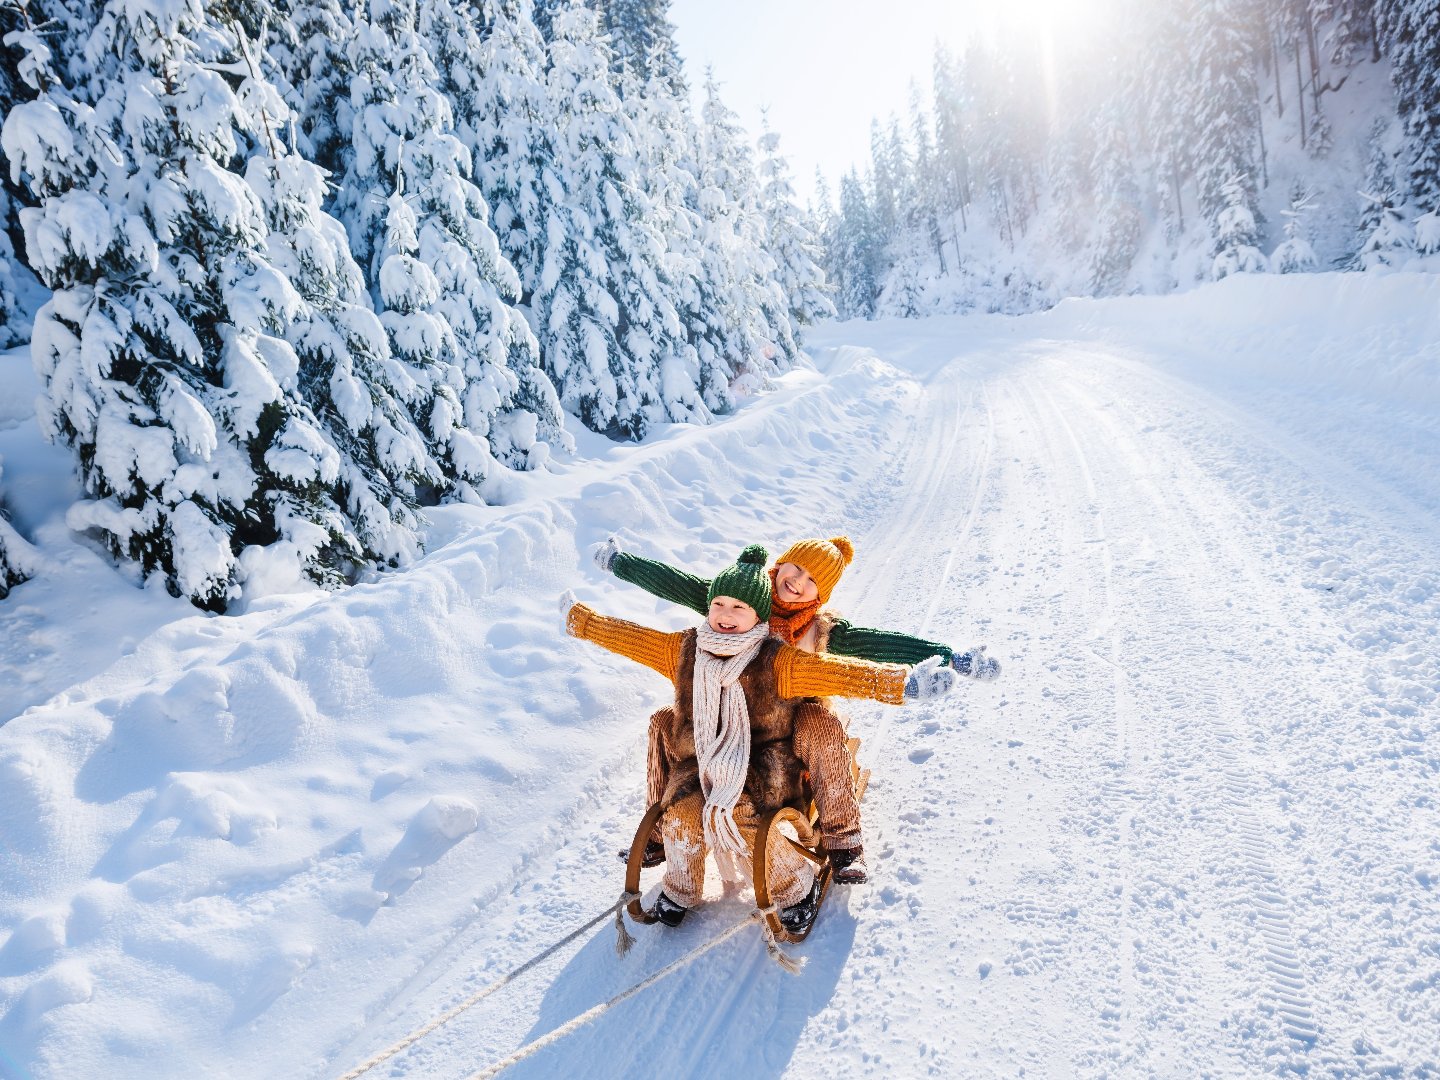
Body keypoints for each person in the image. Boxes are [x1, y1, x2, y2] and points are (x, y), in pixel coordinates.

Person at [563, 545, 956, 934]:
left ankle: (835, 845)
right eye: (718, 605)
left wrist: (919, 676)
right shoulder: (712, 624)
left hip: (779, 739)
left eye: (811, 580)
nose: (797, 583)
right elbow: (644, 616)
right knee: (668, 742)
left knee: (814, 729)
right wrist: (600, 590)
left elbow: (848, 668)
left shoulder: (796, 647)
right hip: (713, 739)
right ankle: (672, 858)